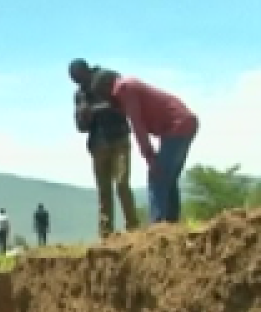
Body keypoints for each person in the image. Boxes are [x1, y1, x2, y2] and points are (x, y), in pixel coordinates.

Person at [91, 69, 199, 225]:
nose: (106, 99)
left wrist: (149, 156)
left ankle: (158, 225)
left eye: (102, 94)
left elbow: (137, 124)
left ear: (106, 86)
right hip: (182, 124)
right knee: (167, 178)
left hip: (177, 125)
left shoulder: (124, 87)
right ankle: (171, 224)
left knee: (157, 176)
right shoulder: (128, 87)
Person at [69, 59, 139, 239]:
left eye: (78, 77)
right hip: (98, 145)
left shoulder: (107, 78)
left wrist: (104, 106)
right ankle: (106, 234)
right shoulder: (80, 95)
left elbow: (125, 100)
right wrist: (85, 115)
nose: (77, 82)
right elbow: (81, 127)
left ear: (85, 70)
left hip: (119, 139)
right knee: (104, 191)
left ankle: (133, 227)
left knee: (122, 184)